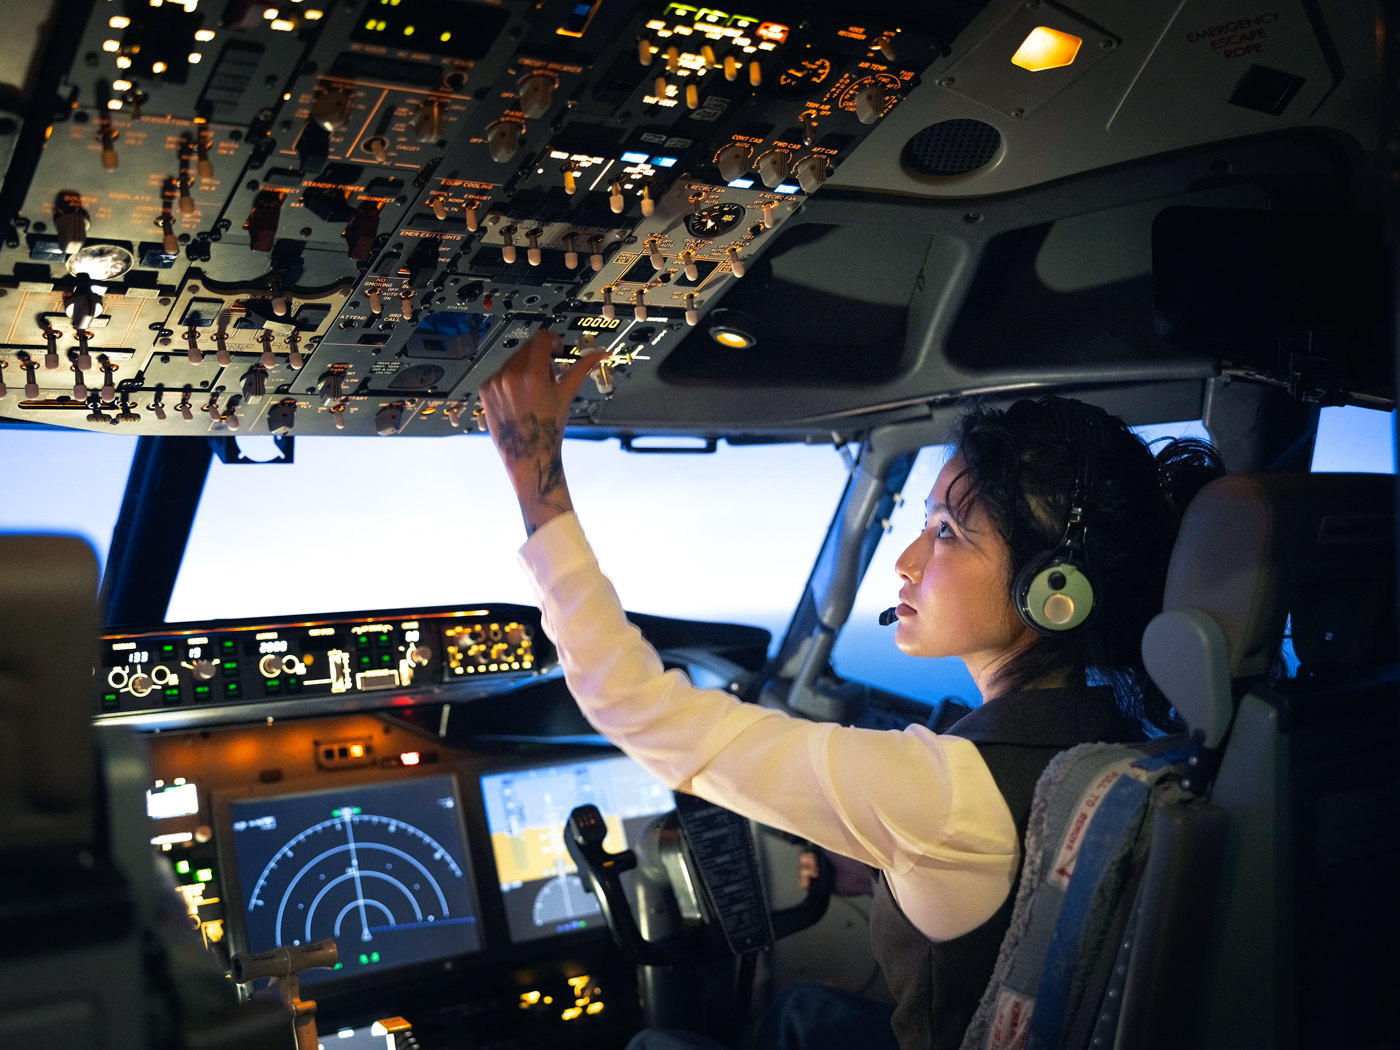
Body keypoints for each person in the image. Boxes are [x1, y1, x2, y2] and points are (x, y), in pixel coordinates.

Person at [479, 331, 1224, 1050]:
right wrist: (884, 874)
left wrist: (534, 479)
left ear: (1052, 591)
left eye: (947, 533)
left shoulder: (944, 794)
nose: (905, 560)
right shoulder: (1122, 745)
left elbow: (635, 706)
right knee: (801, 1012)